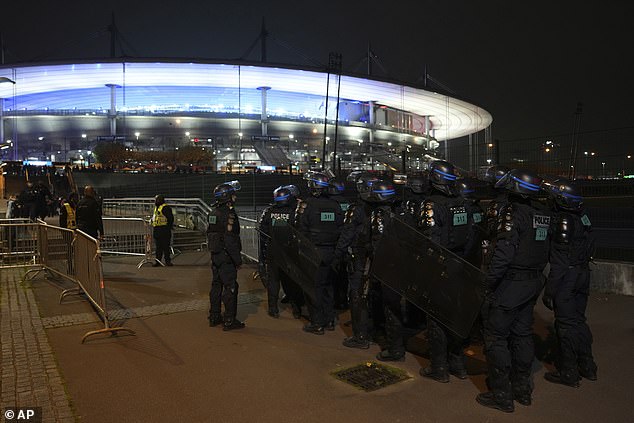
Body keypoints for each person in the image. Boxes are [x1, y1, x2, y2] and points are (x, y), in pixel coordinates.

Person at [476, 169, 551, 413]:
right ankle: (522, 391)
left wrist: (488, 282)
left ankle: (502, 396)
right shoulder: (542, 213)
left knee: (496, 337)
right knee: (522, 334)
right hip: (532, 282)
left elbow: (503, 254)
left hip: (510, 284)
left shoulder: (513, 213)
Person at [416, 160, 471, 381]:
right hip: (460, 263)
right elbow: (469, 236)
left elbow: (430, 241)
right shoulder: (463, 203)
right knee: (456, 315)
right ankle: (458, 365)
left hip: (440, 265)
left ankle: (439, 368)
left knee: (436, 318)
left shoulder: (431, 205)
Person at [542, 178, 598, 387]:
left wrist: (550, 290)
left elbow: (560, 262)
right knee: (578, 321)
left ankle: (569, 372)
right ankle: (588, 366)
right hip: (583, 273)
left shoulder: (563, 221)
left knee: (565, 325)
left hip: (568, 277)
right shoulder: (582, 218)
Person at [335, 177, 396, 350]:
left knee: (357, 295)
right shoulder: (387, 210)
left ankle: (360, 336)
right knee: (377, 295)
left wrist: (338, 254)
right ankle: (378, 330)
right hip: (382, 259)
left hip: (361, 258)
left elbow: (347, 234)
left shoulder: (357, 209)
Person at [295, 171, 343, 335]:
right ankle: (329, 320)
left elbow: (301, 229)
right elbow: (340, 228)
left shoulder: (308, 205)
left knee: (314, 287)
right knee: (328, 286)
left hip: (314, 252)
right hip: (332, 251)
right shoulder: (335, 205)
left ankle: (317, 322)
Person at [258, 184, 301, 318]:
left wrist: (264, 253)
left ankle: (273, 308)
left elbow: (263, 232)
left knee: (273, 281)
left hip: (273, 250)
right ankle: (296, 309)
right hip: (289, 251)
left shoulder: (269, 212)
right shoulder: (293, 212)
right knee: (291, 281)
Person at [207, 180, 244, 331]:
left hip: (215, 255)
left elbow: (210, 232)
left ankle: (214, 316)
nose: (235, 197)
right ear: (227, 197)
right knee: (230, 287)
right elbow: (230, 239)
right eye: (232, 195)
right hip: (226, 256)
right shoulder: (229, 215)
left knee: (216, 286)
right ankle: (229, 319)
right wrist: (238, 260)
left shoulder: (213, 213)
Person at [151, 194, 175, 267]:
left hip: (164, 229)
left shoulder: (165, 208)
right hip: (157, 229)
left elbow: (170, 218)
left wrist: (168, 227)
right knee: (158, 247)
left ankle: (167, 261)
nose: (155, 201)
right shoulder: (156, 208)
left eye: (156, 199)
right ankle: (158, 261)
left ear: (160, 200)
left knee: (165, 247)